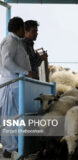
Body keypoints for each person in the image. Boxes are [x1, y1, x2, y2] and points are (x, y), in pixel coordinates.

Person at [0, 17, 31, 158]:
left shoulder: (16, 41)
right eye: (23, 28)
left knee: (15, 116)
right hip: (11, 83)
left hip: (16, 83)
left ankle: (16, 146)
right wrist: (24, 72)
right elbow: (6, 61)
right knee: (10, 117)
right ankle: (9, 148)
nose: (24, 31)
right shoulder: (10, 41)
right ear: (19, 28)